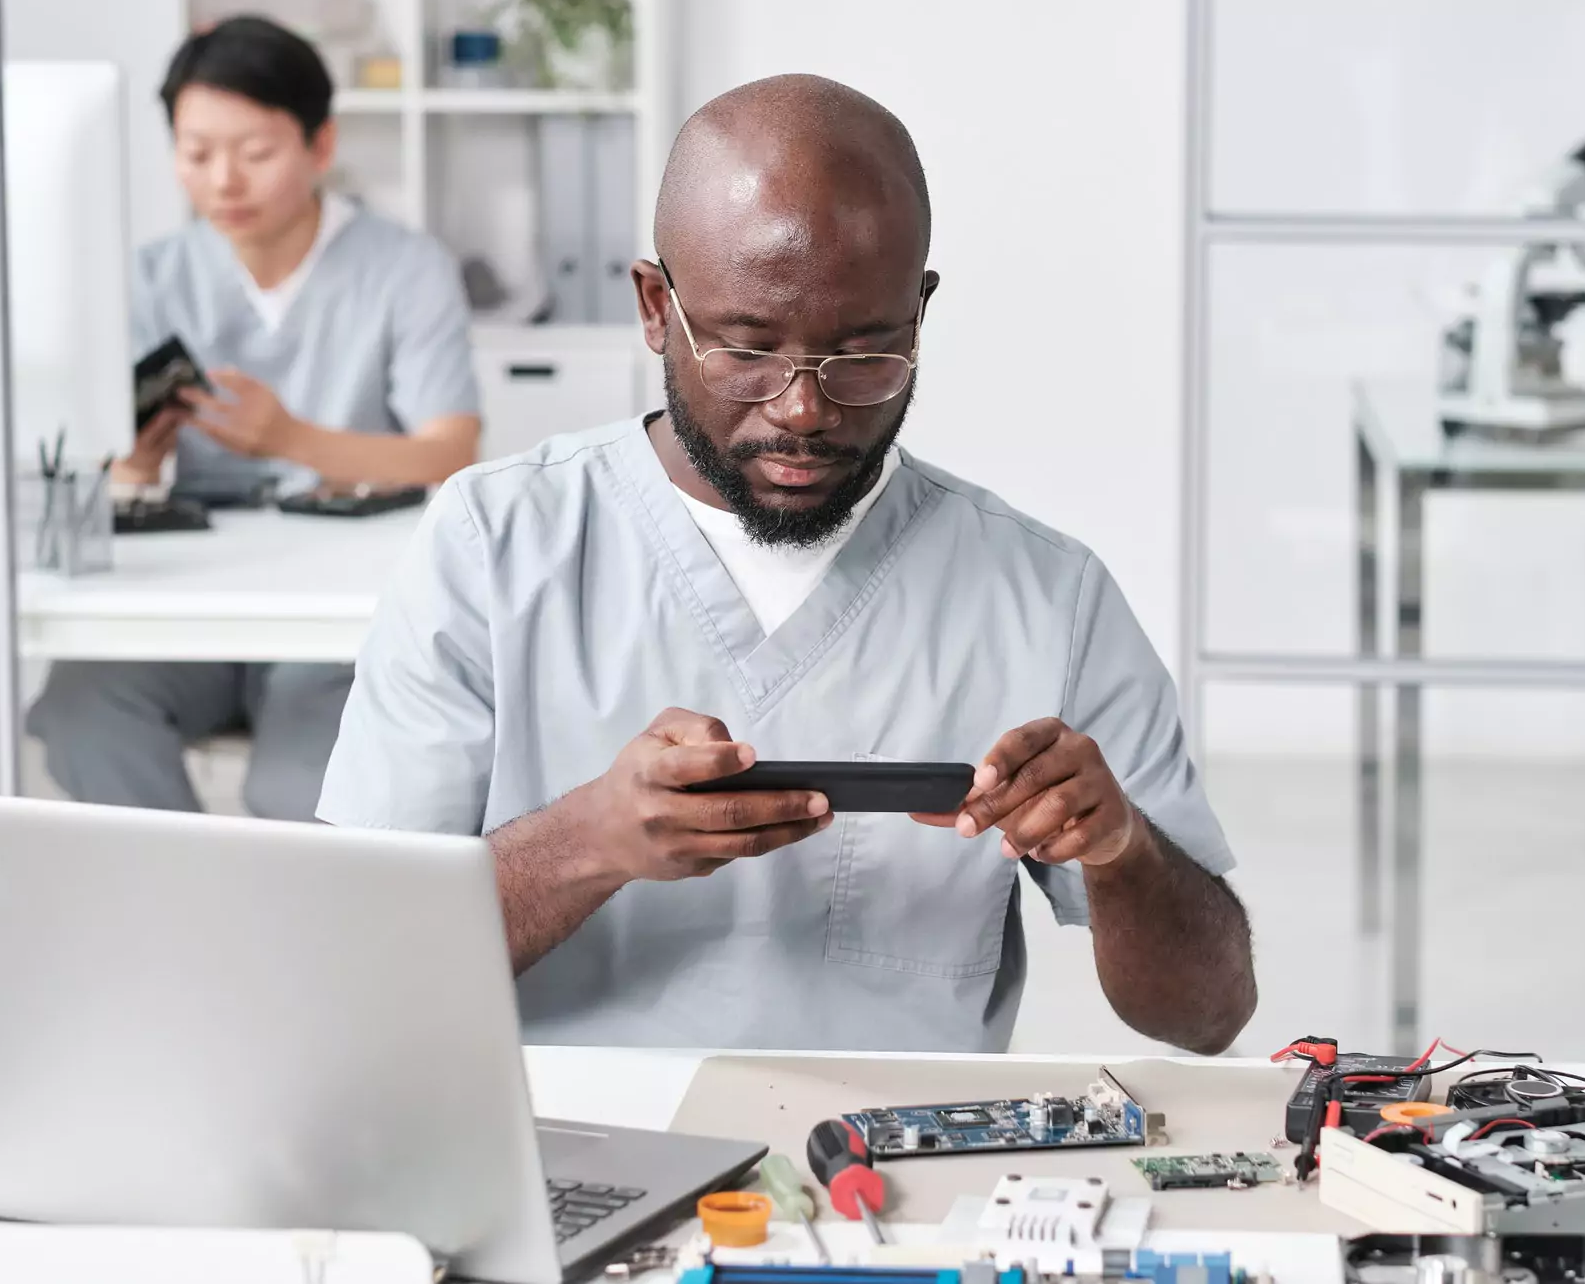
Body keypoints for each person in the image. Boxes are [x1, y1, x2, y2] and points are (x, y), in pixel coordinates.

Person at [318, 74, 1255, 1052]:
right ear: (654, 307)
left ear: (919, 311)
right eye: (747, 349)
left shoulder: (1042, 596)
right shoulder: (493, 548)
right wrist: (588, 841)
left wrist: (1120, 850)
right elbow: (351, 970)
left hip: (887, 1176)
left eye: (862, 353)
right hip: (560, 1155)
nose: (803, 409)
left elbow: (1208, 1015)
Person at [28, 17, 482, 822]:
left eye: (256, 151)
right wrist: (132, 461)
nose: (224, 181)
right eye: (196, 153)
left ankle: (280, 936)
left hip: (346, 609)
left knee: (299, 785)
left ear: (320, 144)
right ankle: (185, 914)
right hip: (198, 599)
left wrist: (288, 438)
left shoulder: (405, 269)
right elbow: (114, 471)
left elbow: (450, 452)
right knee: (82, 712)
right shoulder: (151, 275)